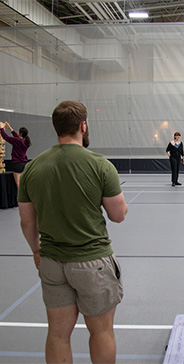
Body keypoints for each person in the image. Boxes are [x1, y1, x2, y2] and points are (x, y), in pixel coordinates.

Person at [18, 100, 128, 364]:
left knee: (57, 334)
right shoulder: (101, 165)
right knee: (101, 331)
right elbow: (118, 214)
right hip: (93, 263)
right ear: (83, 125)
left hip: (52, 262)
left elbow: (27, 222)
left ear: (57, 128)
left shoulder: (32, 168)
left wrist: (36, 250)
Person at [0, 121, 31, 188]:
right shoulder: (25, 141)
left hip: (17, 164)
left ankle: (21, 198)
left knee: (18, 183)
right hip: (24, 163)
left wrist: (1, 128)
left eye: (18, 131)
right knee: (23, 182)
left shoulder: (17, 141)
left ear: (21, 133)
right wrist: (9, 127)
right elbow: (16, 137)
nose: (17, 132)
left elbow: (6, 137)